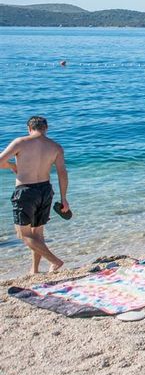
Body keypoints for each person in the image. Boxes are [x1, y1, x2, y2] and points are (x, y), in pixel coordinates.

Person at [0, 116, 68, 273]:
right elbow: (62, 174)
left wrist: (12, 165)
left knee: (23, 234)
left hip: (26, 191)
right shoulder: (56, 147)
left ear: (29, 129)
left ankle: (55, 261)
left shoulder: (20, 142)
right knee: (37, 234)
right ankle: (34, 269)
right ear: (46, 128)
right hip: (45, 190)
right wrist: (64, 198)